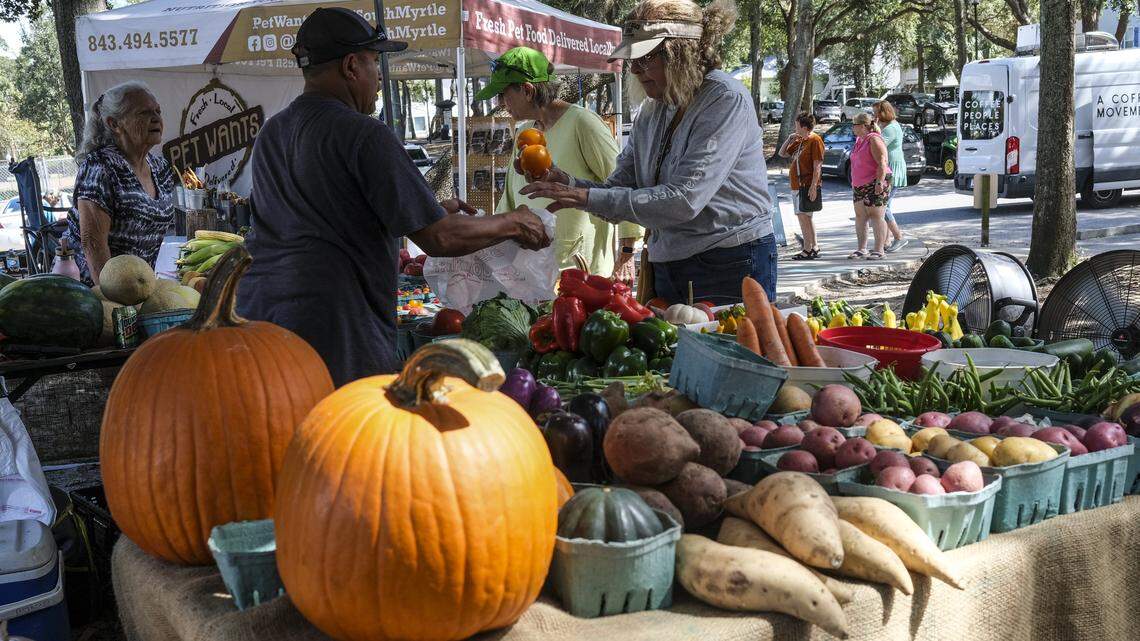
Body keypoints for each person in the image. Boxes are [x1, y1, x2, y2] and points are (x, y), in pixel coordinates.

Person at [237, 8, 550, 387]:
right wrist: (512, 221)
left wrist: (426, 209)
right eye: (374, 62)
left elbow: (326, 212)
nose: (379, 79)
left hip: (264, 322)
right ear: (352, 66)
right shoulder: (364, 134)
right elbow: (440, 238)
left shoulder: (272, 133)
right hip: (338, 330)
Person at [521, 0, 777, 303]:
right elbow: (618, 188)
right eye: (632, 60)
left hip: (730, 258)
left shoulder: (724, 99)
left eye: (646, 58)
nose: (636, 70)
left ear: (681, 53)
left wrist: (584, 197)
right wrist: (569, 185)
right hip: (668, 260)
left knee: (729, 347)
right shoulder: (651, 110)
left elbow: (684, 200)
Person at [481, 47, 643, 280]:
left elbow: (624, 187)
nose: (501, 103)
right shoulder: (524, 133)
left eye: (503, 94)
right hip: (533, 268)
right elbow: (509, 197)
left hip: (582, 270)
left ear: (527, 90)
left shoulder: (583, 123)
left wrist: (626, 252)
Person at [62, 81, 174, 286]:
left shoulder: (161, 168)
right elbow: (93, 243)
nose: (156, 117)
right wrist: (111, 302)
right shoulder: (100, 166)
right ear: (114, 124)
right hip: (95, 294)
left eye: (158, 111)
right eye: (144, 112)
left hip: (138, 288)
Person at [777, 112, 824, 260]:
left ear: (803, 126)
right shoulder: (800, 141)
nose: (795, 127)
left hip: (805, 184)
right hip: (797, 184)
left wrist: (813, 186)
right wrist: (790, 139)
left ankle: (807, 248)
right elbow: (782, 153)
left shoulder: (815, 140)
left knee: (803, 216)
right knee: (805, 216)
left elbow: (817, 166)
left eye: (797, 125)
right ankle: (814, 245)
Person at [847, 112, 891, 260]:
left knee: (876, 215)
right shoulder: (860, 140)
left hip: (875, 181)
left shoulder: (874, 139)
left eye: (854, 125)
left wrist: (879, 182)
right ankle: (861, 248)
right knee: (860, 216)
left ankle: (879, 250)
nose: (852, 127)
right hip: (860, 184)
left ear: (862, 126)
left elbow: (882, 162)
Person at [875, 100, 909, 252]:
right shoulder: (892, 126)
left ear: (883, 113)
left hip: (893, 169)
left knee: (884, 206)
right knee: (887, 204)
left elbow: (877, 145)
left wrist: (875, 129)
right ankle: (886, 240)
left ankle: (898, 237)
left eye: (876, 112)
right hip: (893, 167)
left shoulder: (890, 129)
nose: (874, 115)